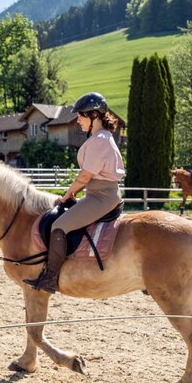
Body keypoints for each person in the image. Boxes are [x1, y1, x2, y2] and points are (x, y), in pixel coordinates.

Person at [24, 92, 125, 293]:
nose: (78, 120)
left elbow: (86, 175)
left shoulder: (100, 140)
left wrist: (69, 193)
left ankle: (50, 279)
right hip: (96, 194)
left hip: (101, 197)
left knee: (59, 226)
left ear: (94, 115)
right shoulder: (101, 138)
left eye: (81, 115)